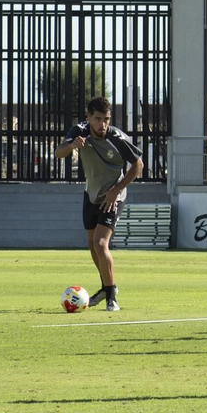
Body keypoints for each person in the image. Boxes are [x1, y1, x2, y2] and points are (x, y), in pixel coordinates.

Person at [54, 97, 144, 311]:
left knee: (101, 242)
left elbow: (138, 165)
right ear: (88, 118)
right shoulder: (79, 131)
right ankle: (105, 286)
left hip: (112, 196)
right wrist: (71, 145)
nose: (102, 124)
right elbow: (59, 153)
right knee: (92, 244)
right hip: (91, 194)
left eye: (106, 119)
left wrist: (116, 191)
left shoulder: (117, 138)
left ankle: (111, 294)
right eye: (97, 119)